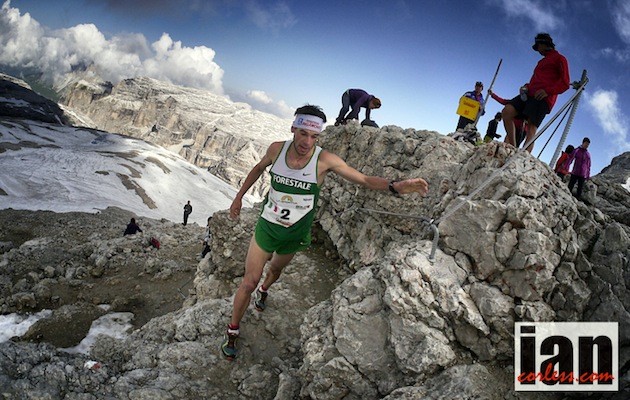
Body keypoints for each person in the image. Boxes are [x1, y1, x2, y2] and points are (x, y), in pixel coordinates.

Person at [221, 104, 429, 359]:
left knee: (275, 270)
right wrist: (238, 198)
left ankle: (265, 289)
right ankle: (233, 330)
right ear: (294, 129)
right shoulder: (277, 149)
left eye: (314, 136)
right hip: (267, 226)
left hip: (295, 233)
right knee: (248, 282)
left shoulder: (325, 161)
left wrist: (396, 187)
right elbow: (258, 168)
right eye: (303, 134)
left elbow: (362, 179)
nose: (307, 142)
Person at [502, 33, 570, 153]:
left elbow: (565, 83)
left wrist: (547, 91)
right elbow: (534, 81)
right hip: (529, 94)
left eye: (538, 46)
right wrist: (526, 87)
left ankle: (524, 156)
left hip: (543, 98)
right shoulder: (540, 62)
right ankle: (513, 147)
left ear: (544, 44)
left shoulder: (560, 58)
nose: (537, 50)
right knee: (507, 111)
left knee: (531, 127)